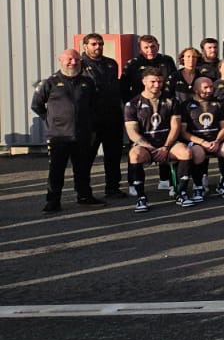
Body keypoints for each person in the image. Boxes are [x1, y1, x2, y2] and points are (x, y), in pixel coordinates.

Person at [31, 49, 105, 212]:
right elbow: (36, 105)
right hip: (59, 136)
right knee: (56, 170)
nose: (73, 62)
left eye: (77, 59)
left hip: (82, 135)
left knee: (83, 169)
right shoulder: (50, 82)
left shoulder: (87, 82)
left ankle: (84, 197)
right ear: (60, 60)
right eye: (69, 59)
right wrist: (51, 120)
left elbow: (94, 105)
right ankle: (53, 201)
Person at [124, 68, 189, 212]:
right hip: (147, 146)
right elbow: (132, 132)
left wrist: (165, 147)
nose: (156, 85)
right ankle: (141, 197)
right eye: (152, 81)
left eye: (160, 81)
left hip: (167, 145)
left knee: (185, 152)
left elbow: (175, 127)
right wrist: (151, 148)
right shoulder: (133, 104)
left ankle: (181, 192)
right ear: (144, 82)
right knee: (134, 155)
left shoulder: (172, 100)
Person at [77, 34, 127, 197]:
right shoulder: (79, 65)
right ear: (85, 46)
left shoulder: (111, 64)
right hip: (91, 119)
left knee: (113, 155)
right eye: (93, 44)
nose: (97, 47)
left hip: (112, 117)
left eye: (100, 44)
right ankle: (84, 191)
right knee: (86, 157)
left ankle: (112, 187)